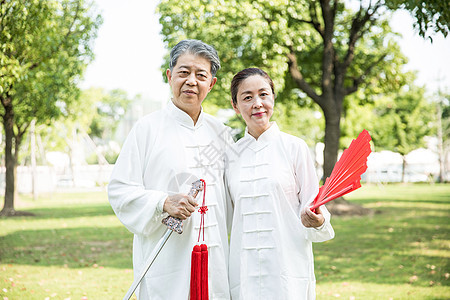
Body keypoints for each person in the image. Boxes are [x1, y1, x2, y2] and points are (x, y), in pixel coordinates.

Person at [108, 39, 232, 299]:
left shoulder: (222, 134)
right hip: (165, 261)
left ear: (211, 84)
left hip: (216, 261)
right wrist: (162, 201)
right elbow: (120, 190)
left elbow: (239, 192)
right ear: (169, 76)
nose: (191, 81)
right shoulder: (146, 129)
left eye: (201, 75)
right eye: (183, 72)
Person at [225, 68, 335, 299]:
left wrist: (318, 219)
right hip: (243, 268)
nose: (257, 103)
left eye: (264, 94)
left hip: (287, 266)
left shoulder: (295, 148)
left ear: (273, 97)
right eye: (247, 97)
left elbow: (314, 204)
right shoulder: (229, 155)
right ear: (235, 106)